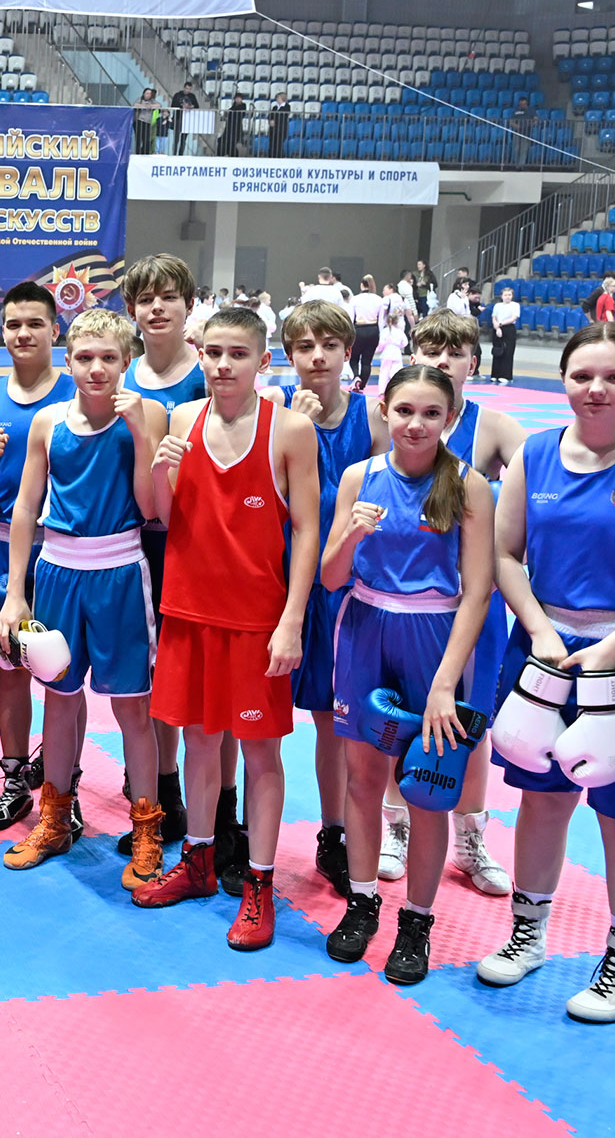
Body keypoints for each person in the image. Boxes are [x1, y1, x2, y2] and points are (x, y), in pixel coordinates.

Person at [477, 321, 615, 1024]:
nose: (595, 389)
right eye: (582, 375)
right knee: (541, 800)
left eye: (612, 376)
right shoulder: (535, 454)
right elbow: (505, 554)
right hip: (546, 653)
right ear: (564, 379)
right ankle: (527, 932)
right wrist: (541, 629)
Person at [133, 307, 320, 953]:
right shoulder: (183, 419)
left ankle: (260, 882)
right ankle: (200, 859)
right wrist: (160, 469)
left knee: (261, 753)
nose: (222, 365)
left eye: (237, 354)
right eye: (213, 352)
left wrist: (292, 619)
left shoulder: (290, 429)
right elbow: (163, 516)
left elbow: (308, 531)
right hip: (188, 611)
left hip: (255, 620)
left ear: (263, 361)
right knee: (199, 742)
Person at [319, 365, 496, 983]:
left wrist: (447, 682)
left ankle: (417, 921)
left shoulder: (469, 485)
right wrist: (350, 534)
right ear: (384, 412)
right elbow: (331, 577)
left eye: (430, 413)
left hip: (434, 636)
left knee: (427, 788)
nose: (416, 424)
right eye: (404, 411)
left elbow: (478, 592)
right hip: (365, 628)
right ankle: (362, 901)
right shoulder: (359, 477)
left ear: (450, 418)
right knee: (363, 779)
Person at [0, 309, 167, 883]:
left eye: (109, 358)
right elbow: (25, 507)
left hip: (120, 571)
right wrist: (15, 593)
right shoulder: (48, 421)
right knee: (59, 699)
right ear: (68, 362)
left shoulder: (147, 413)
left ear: (126, 362)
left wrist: (141, 432)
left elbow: (152, 509)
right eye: (86, 357)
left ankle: (147, 830)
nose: (97, 369)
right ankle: (55, 819)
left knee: (132, 708)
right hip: (58, 571)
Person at [385, 310, 522, 893]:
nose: (442, 360)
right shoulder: (394, 419)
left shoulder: (493, 427)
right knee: (395, 714)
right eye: (430, 349)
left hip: (471, 602)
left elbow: (544, 485)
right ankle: (396, 826)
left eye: (455, 351)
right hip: (403, 601)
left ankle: (470, 837)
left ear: (473, 361)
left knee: (471, 720)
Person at [274, 301, 388, 897]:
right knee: (261, 715)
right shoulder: (274, 411)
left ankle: (334, 833)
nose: (317, 357)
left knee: (336, 720)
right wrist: (292, 427)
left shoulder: (372, 416)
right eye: (304, 346)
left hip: (349, 586)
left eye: (328, 345)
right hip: (283, 581)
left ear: (348, 351)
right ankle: (240, 829)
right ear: (289, 354)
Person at [0, 282, 78, 831]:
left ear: (55, 329)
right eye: (13, 324)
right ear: (2, 331)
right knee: (9, 668)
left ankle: (63, 785)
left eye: (34, 323)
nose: (23, 333)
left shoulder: (78, 390)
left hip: (59, 549)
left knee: (62, 676)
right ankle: (13, 779)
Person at [125, 254, 210, 855]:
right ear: (132, 310)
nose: (157, 308)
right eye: (146, 299)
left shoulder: (209, 374)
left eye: (168, 297)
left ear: (188, 305)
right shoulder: (118, 371)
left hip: (192, 541)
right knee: (144, 670)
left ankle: (202, 795)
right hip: (129, 540)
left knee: (185, 669)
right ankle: (159, 782)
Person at [347, 275, 385, 391]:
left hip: (359, 329)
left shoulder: (355, 299)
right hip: (373, 329)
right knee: (367, 361)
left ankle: (356, 376)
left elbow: (350, 318)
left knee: (354, 358)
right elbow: (381, 320)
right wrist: (379, 334)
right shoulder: (379, 299)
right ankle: (362, 386)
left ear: (362, 285)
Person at [490, 286, 520, 384]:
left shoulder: (515, 305)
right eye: (505, 295)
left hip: (508, 328)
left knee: (508, 352)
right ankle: (495, 374)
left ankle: (505, 375)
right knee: (497, 351)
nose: (507, 297)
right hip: (497, 328)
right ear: (502, 296)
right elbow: (494, 317)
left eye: (509, 295)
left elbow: (514, 318)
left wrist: (501, 324)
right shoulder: (497, 305)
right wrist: (497, 327)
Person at [170, 80, 202, 156]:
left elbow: (197, 106)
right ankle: (174, 154)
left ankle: (181, 154)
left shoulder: (192, 96)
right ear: (184, 88)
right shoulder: (177, 95)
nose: (188, 90)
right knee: (176, 139)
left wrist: (191, 106)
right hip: (178, 118)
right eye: (187, 88)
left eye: (189, 89)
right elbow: (173, 105)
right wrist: (181, 107)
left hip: (187, 120)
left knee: (183, 139)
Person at [510, 97, 537, 168]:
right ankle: (516, 165)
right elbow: (511, 122)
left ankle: (521, 165)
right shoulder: (516, 110)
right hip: (517, 133)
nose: (522, 105)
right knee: (516, 149)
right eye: (521, 104)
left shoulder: (531, 110)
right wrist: (516, 126)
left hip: (526, 133)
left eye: (524, 104)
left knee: (523, 150)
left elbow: (536, 119)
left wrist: (531, 124)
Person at [219, 91, 248, 156]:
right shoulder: (233, 106)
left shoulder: (243, 105)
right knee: (225, 140)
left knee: (233, 141)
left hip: (237, 126)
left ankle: (233, 154)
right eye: (237, 98)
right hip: (230, 126)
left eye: (239, 98)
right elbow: (230, 112)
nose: (238, 100)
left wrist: (232, 111)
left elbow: (240, 113)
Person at [133, 87, 159, 154]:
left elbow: (159, 105)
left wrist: (151, 106)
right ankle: (138, 153)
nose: (148, 95)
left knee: (146, 139)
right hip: (139, 121)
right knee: (138, 139)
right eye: (147, 93)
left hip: (147, 122)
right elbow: (135, 104)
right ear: (144, 94)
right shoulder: (140, 99)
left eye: (150, 93)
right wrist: (143, 106)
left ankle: (145, 153)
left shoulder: (152, 101)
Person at [268, 92, 291, 157]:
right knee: (272, 144)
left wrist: (275, 121)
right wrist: (271, 121)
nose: (277, 99)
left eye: (278, 97)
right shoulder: (275, 107)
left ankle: (279, 157)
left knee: (279, 145)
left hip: (281, 129)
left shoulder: (287, 106)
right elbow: (270, 115)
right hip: (273, 129)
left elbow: (282, 116)